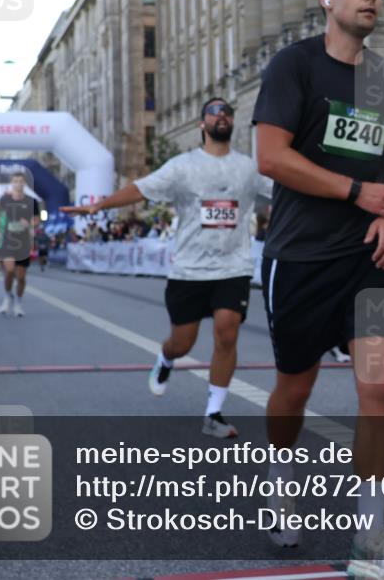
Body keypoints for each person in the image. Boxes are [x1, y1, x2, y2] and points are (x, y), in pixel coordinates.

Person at [253, 0, 384, 580]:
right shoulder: (293, 66)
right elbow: (271, 158)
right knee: (295, 387)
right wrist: (356, 192)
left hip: (369, 258)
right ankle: (280, 474)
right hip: (300, 259)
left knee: (379, 389)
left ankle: (369, 537)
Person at [63, 97, 258, 439]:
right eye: (214, 112)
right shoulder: (182, 166)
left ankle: (213, 413)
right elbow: (141, 189)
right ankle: (166, 359)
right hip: (189, 270)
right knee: (182, 343)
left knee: (227, 331)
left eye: (227, 111)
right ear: (203, 124)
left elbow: (287, 188)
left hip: (234, 265)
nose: (222, 115)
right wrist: (100, 206)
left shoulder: (248, 168)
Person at [0, 172, 40, 316]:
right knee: (9, 271)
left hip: (23, 242)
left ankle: (18, 303)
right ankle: (7, 296)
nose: (18, 184)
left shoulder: (31, 201)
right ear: (12, 183)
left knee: (21, 276)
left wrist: (29, 223)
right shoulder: (5, 199)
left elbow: (37, 220)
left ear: (25, 184)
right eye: (15, 181)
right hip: (8, 240)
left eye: (21, 181)